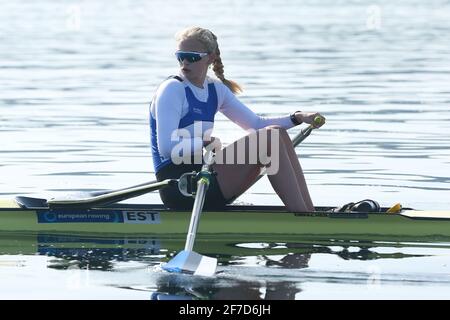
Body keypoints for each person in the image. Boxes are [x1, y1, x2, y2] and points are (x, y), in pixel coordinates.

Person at [150, 26, 325, 212]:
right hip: (182, 187)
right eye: (180, 56)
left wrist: (298, 118)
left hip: (205, 176)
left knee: (276, 133)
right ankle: (303, 217)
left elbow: (256, 124)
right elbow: (167, 149)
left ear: (210, 57)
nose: (185, 62)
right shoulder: (172, 89)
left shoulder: (216, 90)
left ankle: (309, 212)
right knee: (269, 139)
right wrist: (203, 141)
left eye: (192, 57)